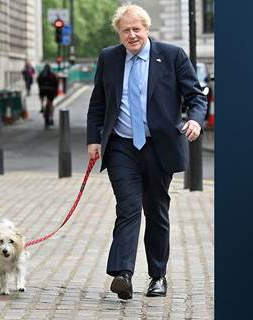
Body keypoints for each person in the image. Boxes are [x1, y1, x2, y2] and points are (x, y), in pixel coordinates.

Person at [86, 4, 207, 300]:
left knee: (156, 211)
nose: (131, 35)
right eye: (125, 30)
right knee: (127, 207)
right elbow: (98, 103)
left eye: (136, 29)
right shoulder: (109, 58)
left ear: (147, 29)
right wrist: (94, 139)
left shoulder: (172, 55)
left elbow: (196, 96)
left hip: (159, 147)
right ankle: (123, 274)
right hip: (122, 146)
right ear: (119, 32)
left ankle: (157, 276)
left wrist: (194, 119)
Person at [37, 64, 58, 128]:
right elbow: (56, 83)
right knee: (50, 103)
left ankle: (42, 106)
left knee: (41, 97)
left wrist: (40, 88)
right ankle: (51, 117)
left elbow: (38, 81)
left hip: (42, 89)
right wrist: (55, 92)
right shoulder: (52, 75)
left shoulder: (41, 74)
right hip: (50, 90)